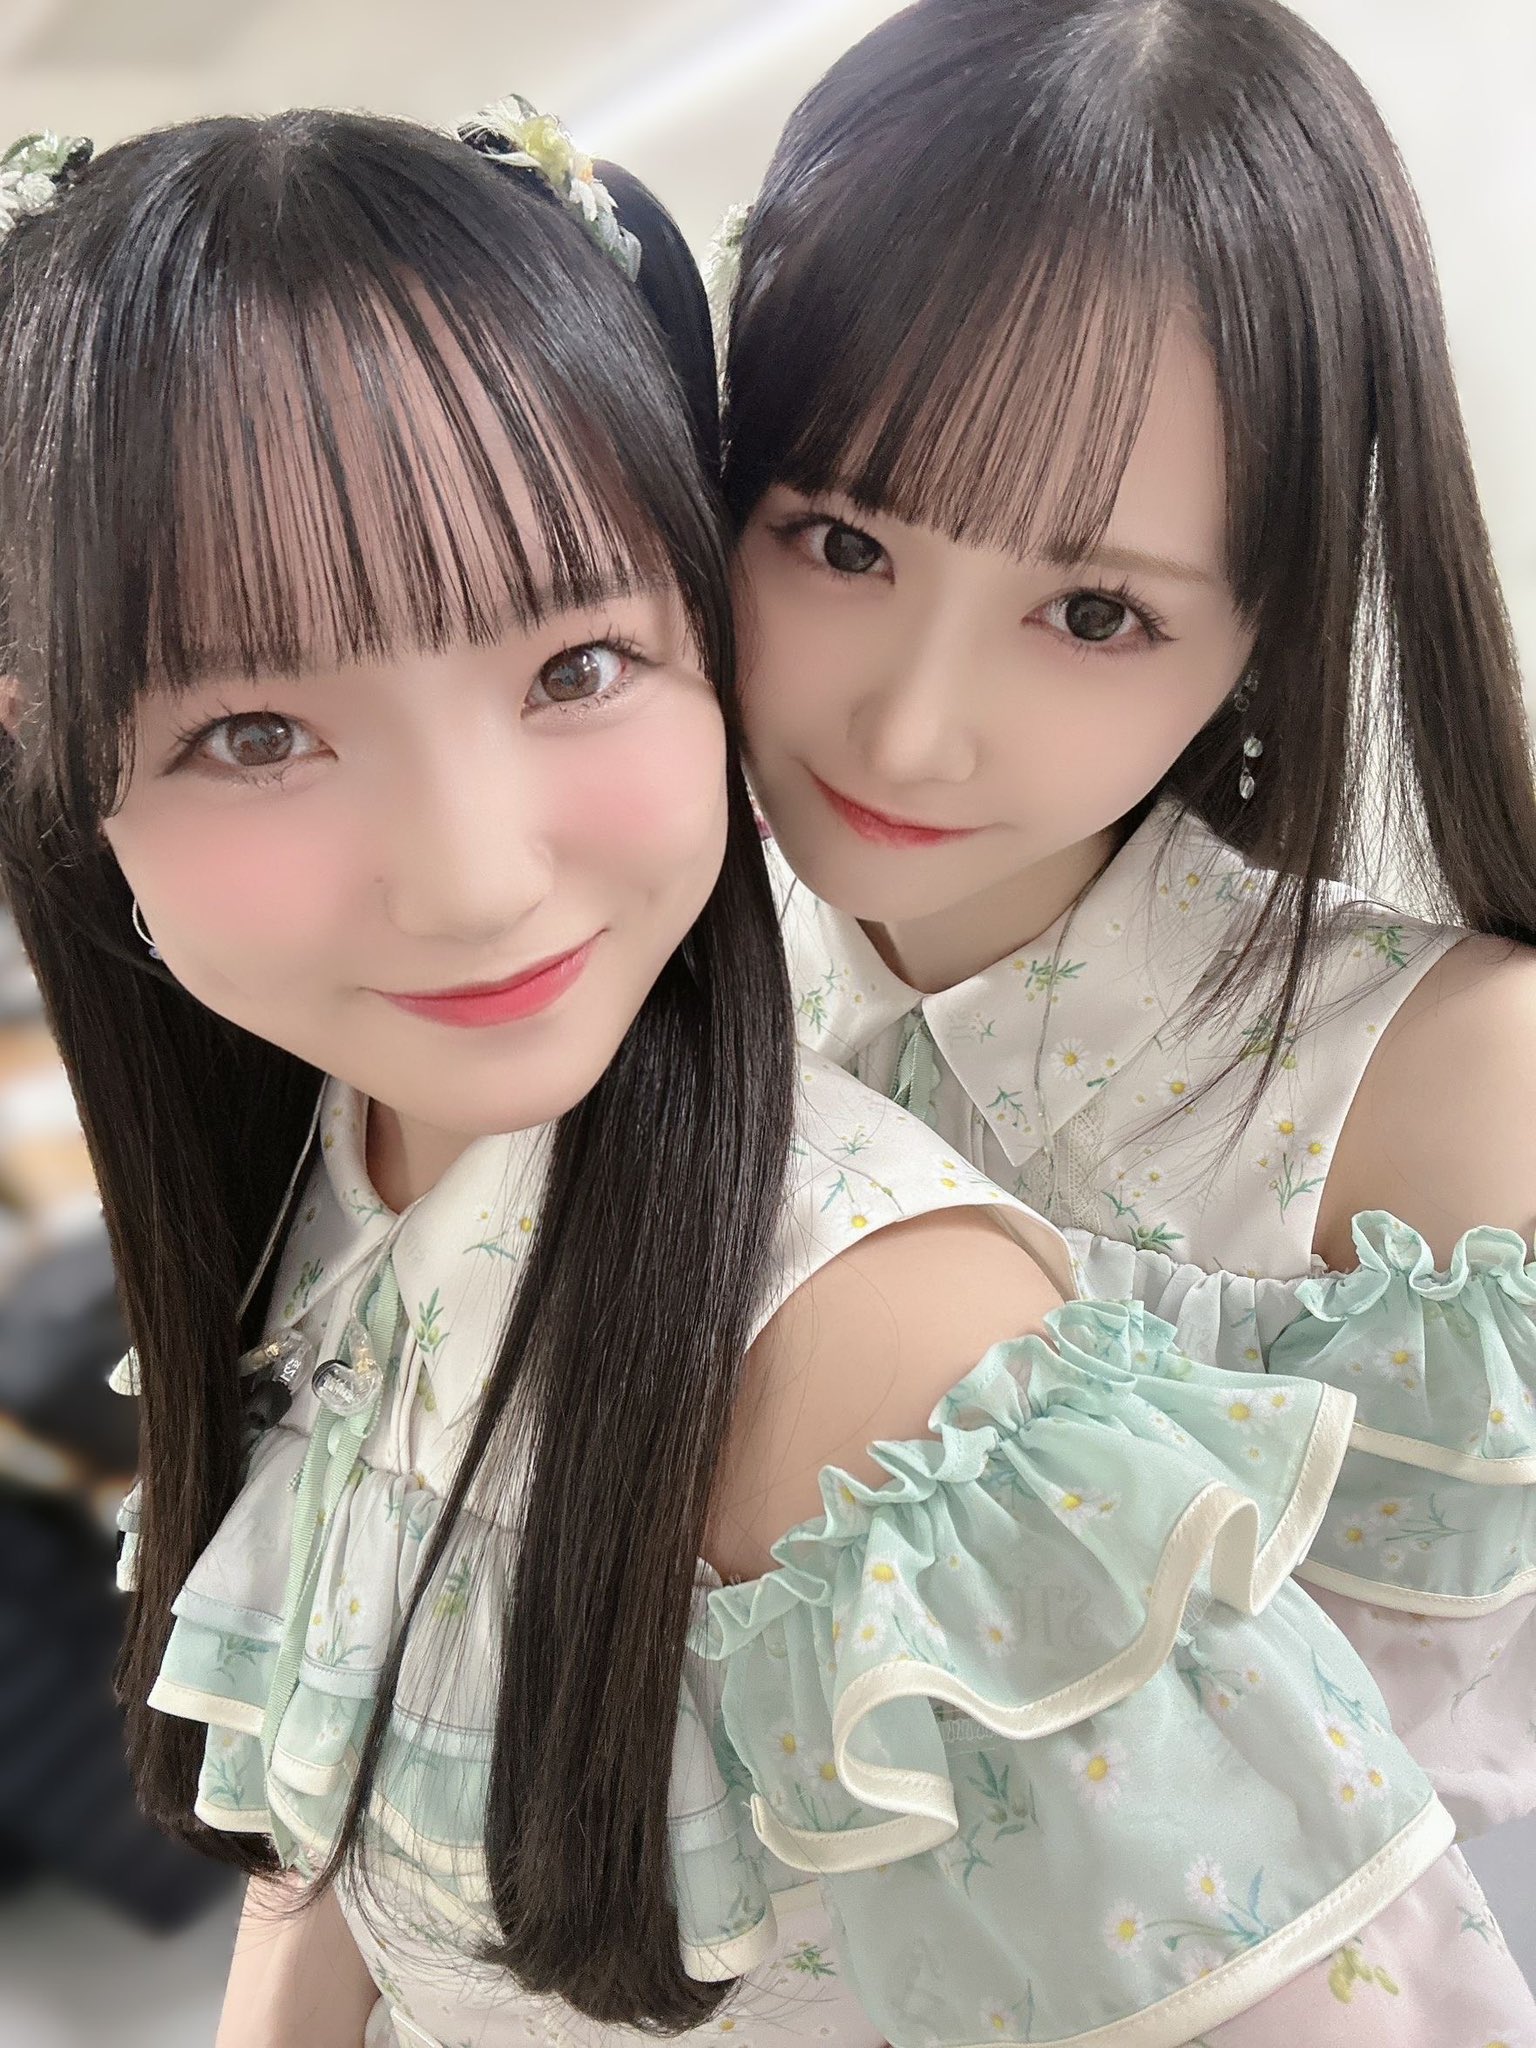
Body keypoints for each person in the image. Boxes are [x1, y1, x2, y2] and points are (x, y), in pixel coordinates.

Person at [0, 97, 1528, 2048]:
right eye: (255, 731)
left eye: (569, 666)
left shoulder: (893, 1368)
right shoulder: (354, 1140)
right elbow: (329, 1833)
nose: (475, 882)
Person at [721, 0, 1536, 1855]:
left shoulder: (1443, 1095)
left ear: (1270, 625)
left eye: (1096, 614)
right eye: (842, 540)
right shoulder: (651, 963)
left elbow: (1407, 1864)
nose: (909, 732)